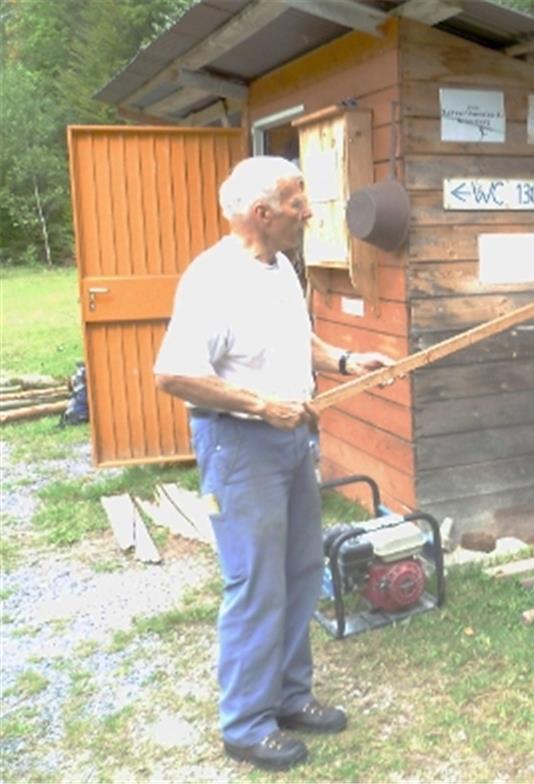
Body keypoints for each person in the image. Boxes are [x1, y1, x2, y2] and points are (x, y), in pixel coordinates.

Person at [154, 156, 392, 771]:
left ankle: (289, 697)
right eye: (296, 201)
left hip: (291, 440)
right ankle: (245, 724)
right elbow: (173, 373)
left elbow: (294, 336)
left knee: (300, 570)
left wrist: (343, 361)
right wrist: (262, 405)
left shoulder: (281, 266)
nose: (307, 211)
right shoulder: (213, 280)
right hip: (239, 445)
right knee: (256, 582)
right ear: (262, 213)